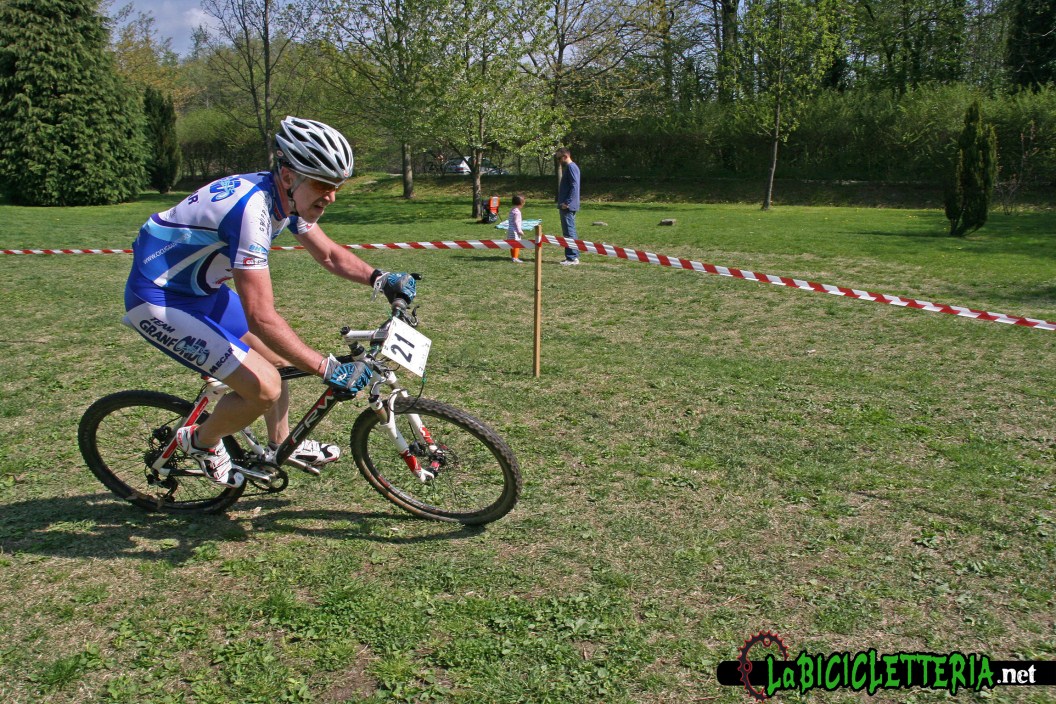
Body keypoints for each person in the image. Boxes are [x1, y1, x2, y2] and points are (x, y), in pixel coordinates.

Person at [124, 116, 417, 487]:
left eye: (337, 186)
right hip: (157, 300)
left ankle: (282, 445)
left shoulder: (285, 199)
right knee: (264, 386)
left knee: (278, 362)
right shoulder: (252, 211)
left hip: (200, 293)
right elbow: (261, 316)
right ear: (289, 175)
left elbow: (327, 254)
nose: (330, 196)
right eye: (323, 185)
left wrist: (380, 277)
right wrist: (326, 368)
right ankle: (201, 441)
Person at [555, 147, 581, 266]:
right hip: (566, 205)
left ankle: (572, 258)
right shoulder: (571, 168)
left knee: (569, 232)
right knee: (569, 231)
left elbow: (574, 186)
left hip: (568, 206)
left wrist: (567, 202)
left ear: (565, 156)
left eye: (560, 158)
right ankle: (573, 256)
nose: (559, 161)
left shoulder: (571, 167)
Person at [506, 194, 526, 263]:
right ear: (521, 203)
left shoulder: (512, 210)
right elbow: (517, 222)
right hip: (515, 231)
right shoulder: (517, 212)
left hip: (510, 230)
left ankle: (513, 257)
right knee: (517, 244)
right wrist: (519, 231)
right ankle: (515, 258)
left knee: (511, 244)